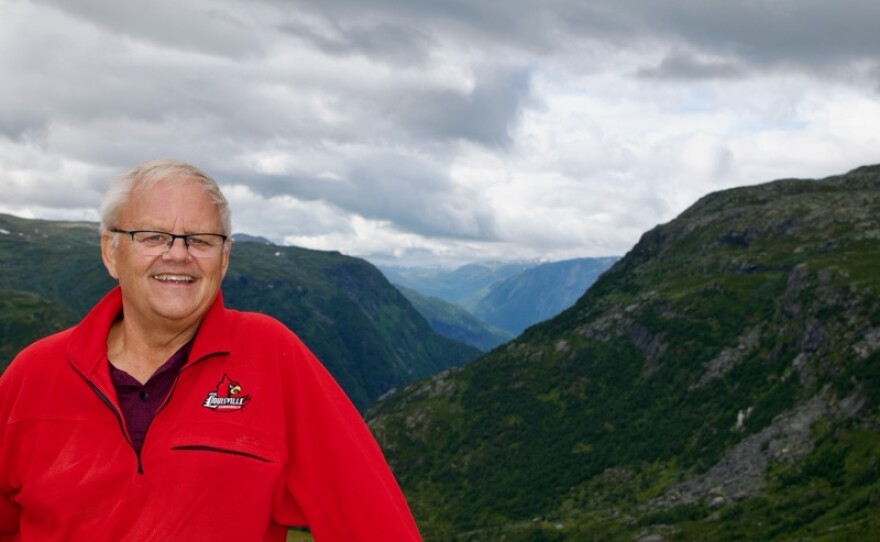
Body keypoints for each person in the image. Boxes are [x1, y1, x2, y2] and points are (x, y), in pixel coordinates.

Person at [0, 159, 422, 541]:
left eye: (201, 240)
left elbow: (373, 519)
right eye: (153, 236)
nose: (178, 254)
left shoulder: (271, 355)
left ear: (224, 258)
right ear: (111, 252)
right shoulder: (34, 373)